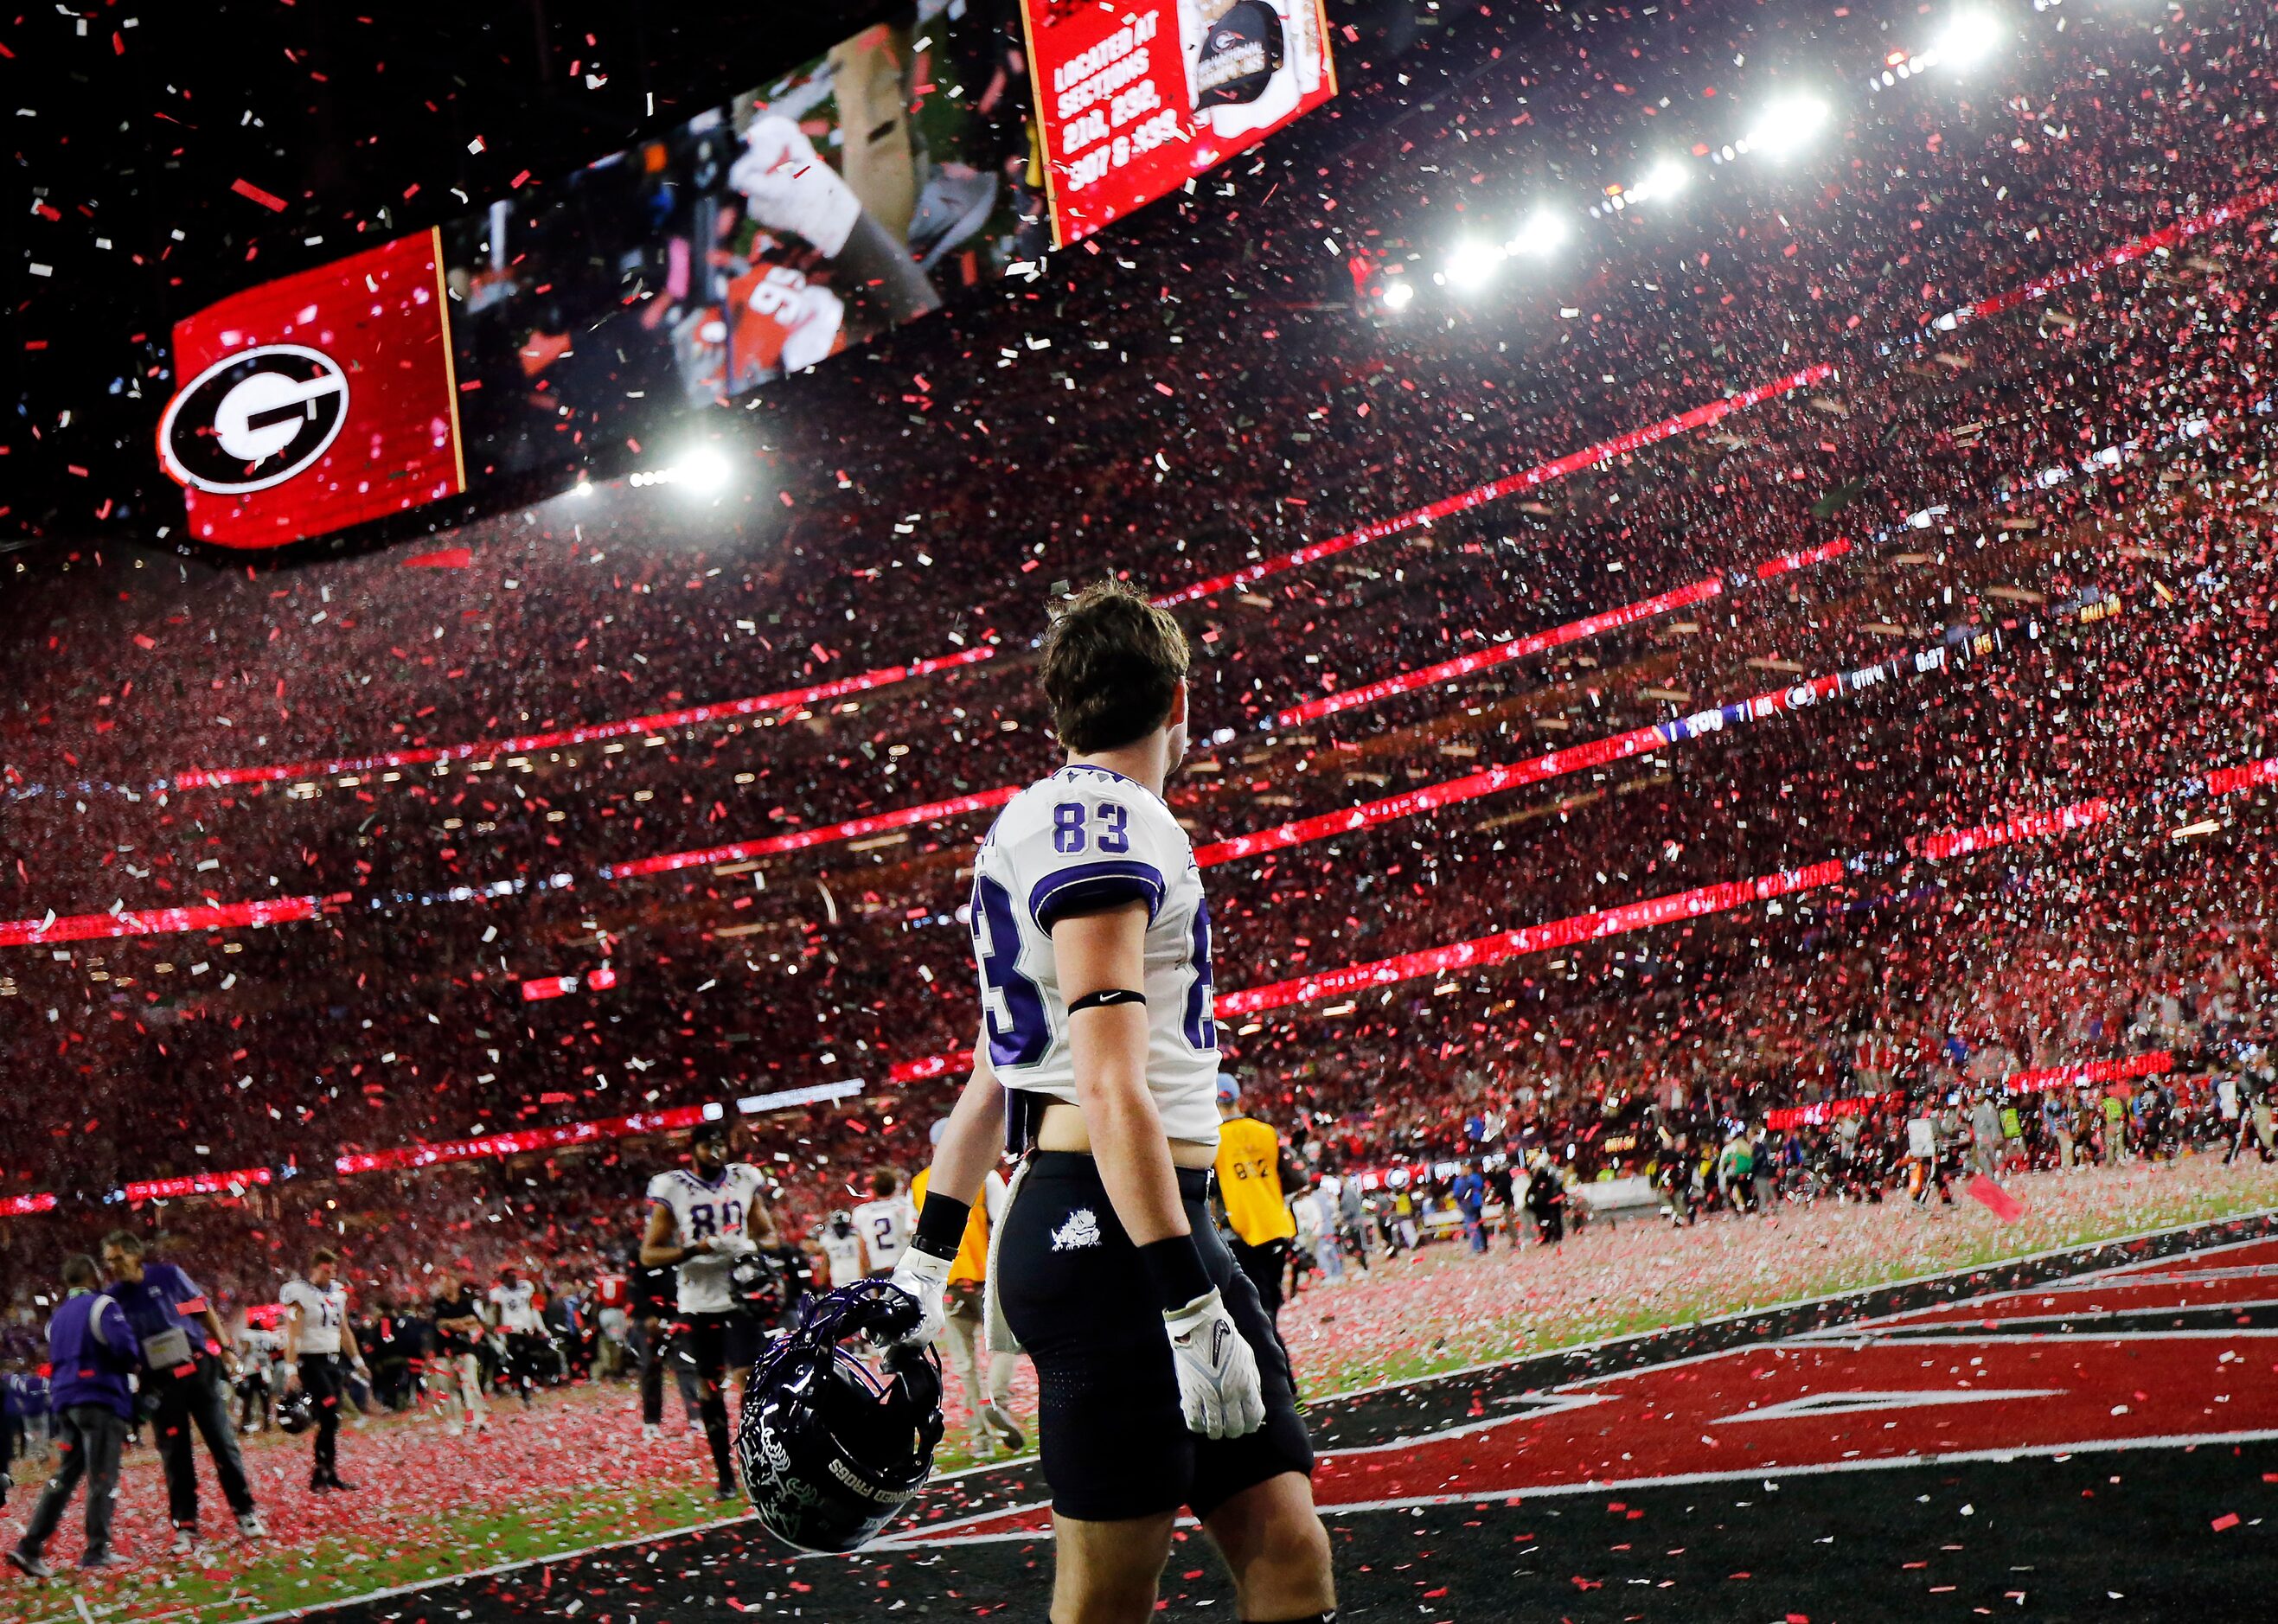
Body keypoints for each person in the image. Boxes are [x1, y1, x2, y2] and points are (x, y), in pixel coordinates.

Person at [880, 583, 1333, 1623]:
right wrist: (1184, 1300)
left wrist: (921, 1259)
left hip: (1141, 1215)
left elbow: (996, 1071)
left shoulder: (1025, 825)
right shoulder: (1109, 819)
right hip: (1114, 1230)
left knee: (1286, 1544)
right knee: (1108, 1597)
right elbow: (1105, 1076)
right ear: (1180, 701)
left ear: (1060, 709)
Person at [100, 1231, 265, 1552]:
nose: (113, 1266)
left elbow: (202, 1310)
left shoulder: (169, 1276)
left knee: (223, 1443)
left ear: (135, 1254)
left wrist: (227, 1349)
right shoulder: (114, 1298)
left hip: (196, 1368)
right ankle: (186, 1527)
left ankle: (245, 1512)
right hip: (159, 1383)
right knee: (175, 1456)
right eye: (109, 1261)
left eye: (118, 1258)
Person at [641, 1118, 777, 1498]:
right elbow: (650, 1253)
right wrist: (694, 1250)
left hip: (739, 1297)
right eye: (708, 1146)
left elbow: (768, 1232)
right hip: (699, 1301)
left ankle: (762, 1464)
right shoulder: (674, 1187)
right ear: (693, 1149)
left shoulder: (744, 1178)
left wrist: (751, 1249)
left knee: (750, 1379)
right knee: (709, 1387)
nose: (716, 1153)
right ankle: (726, 1476)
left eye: (721, 1145)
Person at [7, 1256, 136, 1576]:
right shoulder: (104, 1305)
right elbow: (126, 1349)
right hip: (98, 1396)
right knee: (102, 1475)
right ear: (94, 1275)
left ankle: (31, 1545)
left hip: (66, 1401)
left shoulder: (58, 1316)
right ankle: (97, 1549)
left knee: (64, 1476)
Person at [910, 1121, 1024, 1457]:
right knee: (1007, 1344)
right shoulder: (984, 1176)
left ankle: (981, 1439)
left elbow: (913, 1238)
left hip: (946, 1283)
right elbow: (1006, 1222)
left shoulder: (918, 1185)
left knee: (964, 1364)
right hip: (986, 1278)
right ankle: (998, 1401)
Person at [1211, 1074, 1299, 1327]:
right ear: (1239, 1098)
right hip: (1277, 1226)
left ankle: (1273, 1362)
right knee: (1271, 1299)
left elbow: (1212, 1187)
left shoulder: (1215, 1139)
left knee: (1258, 1308)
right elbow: (1297, 1176)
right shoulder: (1266, 1132)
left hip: (1241, 1231)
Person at [281, 1249, 368, 1493]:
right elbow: (293, 1332)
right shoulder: (299, 1293)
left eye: (332, 1268)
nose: (329, 1273)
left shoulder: (338, 1293)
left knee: (332, 1419)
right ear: (315, 1268)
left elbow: (344, 1330)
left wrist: (358, 1361)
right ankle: (321, 1476)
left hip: (332, 1360)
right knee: (329, 1413)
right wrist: (290, 1369)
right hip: (311, 1361)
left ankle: (327, 1474)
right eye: (325, 1268)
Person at [431, 1277, 490, 1435]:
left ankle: (477, 1418)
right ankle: (455, 1424)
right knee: (448, 1389)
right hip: (443, 1353)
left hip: (465, 1350)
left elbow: (475, 1322)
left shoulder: (466, 1302)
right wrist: (461, 1324)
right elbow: (440, 1323)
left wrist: (454, 1324)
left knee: (470, 1384)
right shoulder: (438, 1304)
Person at [488, 1267, 548, 1405]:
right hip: (511, 1331)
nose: (513, 1279)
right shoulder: (499, 1293)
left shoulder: (526, 1287)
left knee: (532, 1359)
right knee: (516, 1363)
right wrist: (500, 1333)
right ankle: (523, 1391)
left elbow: (533, 1306)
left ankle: (530, 1385)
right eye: (509, 1277)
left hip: (527, 1330)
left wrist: (540, 1327)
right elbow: (497, 1314)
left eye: (514, 1275)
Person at [851, 1167, 915, 1277]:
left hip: (879, 1268)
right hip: (904, 1266)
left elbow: (862, 1247)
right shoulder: (905, 1206)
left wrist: (863, 1274)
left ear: (874, 1189)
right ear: (894, 1186)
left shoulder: (862, 1212)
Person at [816, 1210, 865, 1288]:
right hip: (838, 1279)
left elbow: (863, 1258)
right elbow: (825, 1262)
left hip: (856, 1277)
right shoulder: (827, 1240)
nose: (841, 1229)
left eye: (843, 1226)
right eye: (838, 1226)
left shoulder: (856, 1238)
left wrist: (864, 1274)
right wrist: (822, 1281)